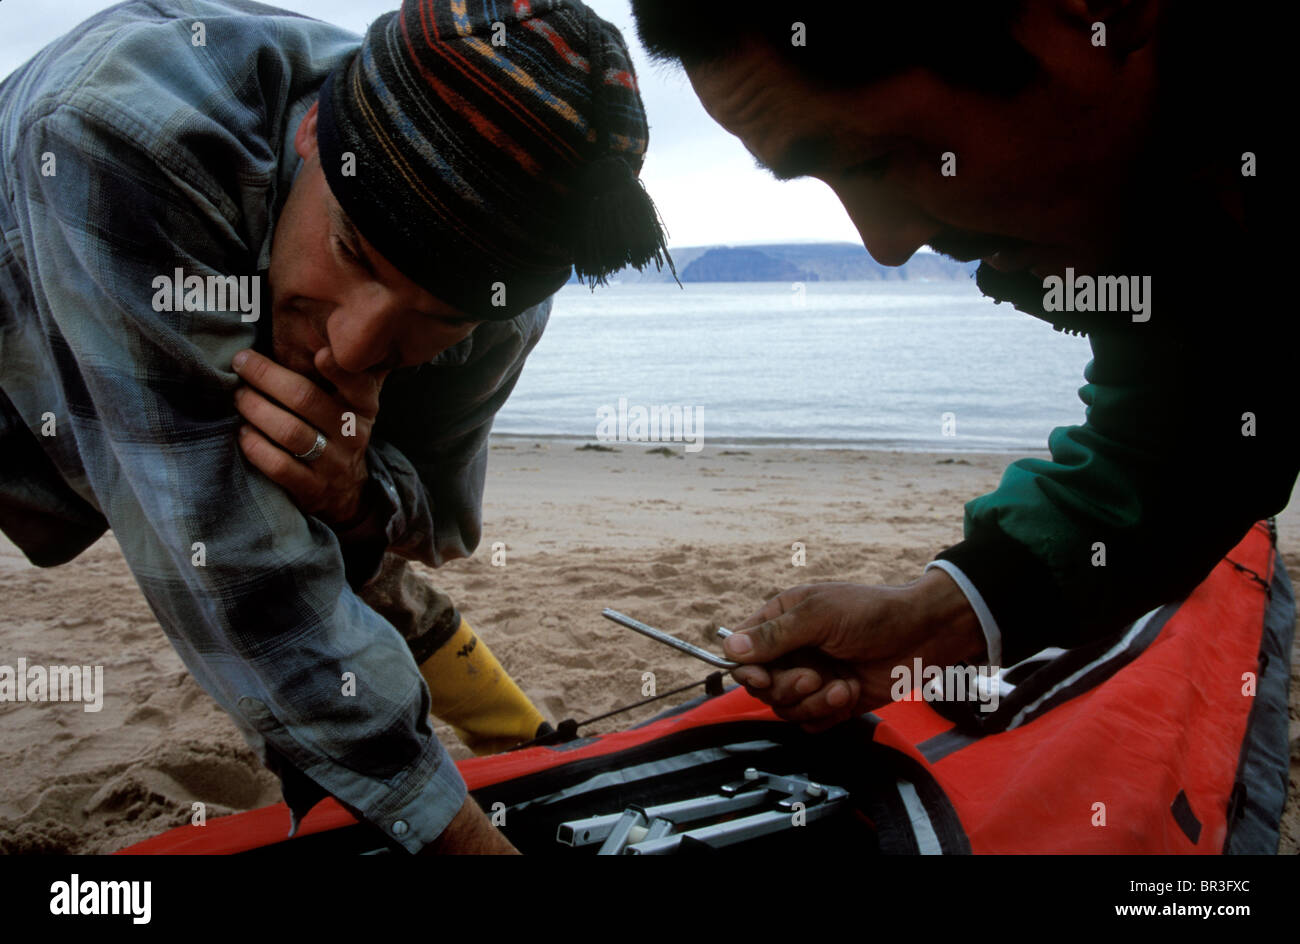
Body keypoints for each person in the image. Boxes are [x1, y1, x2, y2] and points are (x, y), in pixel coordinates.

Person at [0, 0, 669, 854]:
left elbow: (441, 520)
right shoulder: (119, 136)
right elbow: (239, 569)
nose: (353, 347)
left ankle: (506, 749)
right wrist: (461, 836)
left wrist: (357, 493)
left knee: (324, 527)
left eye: (432, 318)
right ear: (314, 126)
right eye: (352, 250)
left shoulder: (500, 299)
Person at [629, 0, 1294, 727]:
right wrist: (942, 618)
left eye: (879, 158)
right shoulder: (1162, 224)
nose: (883, 244)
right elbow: (1180, 440)